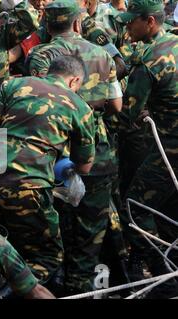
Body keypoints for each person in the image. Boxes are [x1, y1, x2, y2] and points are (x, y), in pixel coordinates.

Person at [0, 55, 96, 293]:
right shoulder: (79, 106)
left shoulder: (13, 85)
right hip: (29, 188)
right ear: (74, 81)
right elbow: (85, 167)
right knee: (47, 256)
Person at [27, 0, 124, 294]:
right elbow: (116, 105)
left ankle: (56, 283)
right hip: (97, 152)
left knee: (56, 225)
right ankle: (80, 286)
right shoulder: (100, 53)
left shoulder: (40, 55)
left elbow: (40, 104)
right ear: (78, 23)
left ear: (46, 24)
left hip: (54, 152)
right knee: (90, 231)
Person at [116, 0, 178, 298]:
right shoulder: (175, 43)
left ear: (150, 21)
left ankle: (161, 273)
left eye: (132, 22)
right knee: (169, 208)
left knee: (135, 206)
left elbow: (126, 115)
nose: (127, 27)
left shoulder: (151, 61)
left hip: (169, 151)